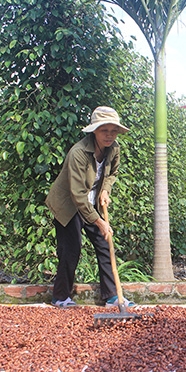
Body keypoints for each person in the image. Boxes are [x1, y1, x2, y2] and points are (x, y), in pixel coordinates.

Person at [45, 106, 134, 308]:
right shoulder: (78, 153)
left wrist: (106, 191)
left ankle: (112, 296)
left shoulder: (114, 149)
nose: (109, 135)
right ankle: (60, 297)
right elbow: (77, 194)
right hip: (68, 205)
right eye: (105, 131)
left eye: (113, 131)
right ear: (95, 130)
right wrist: (99, 222)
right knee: (71, 248)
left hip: (92, 202)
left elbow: (112, 174)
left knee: (104, 244)